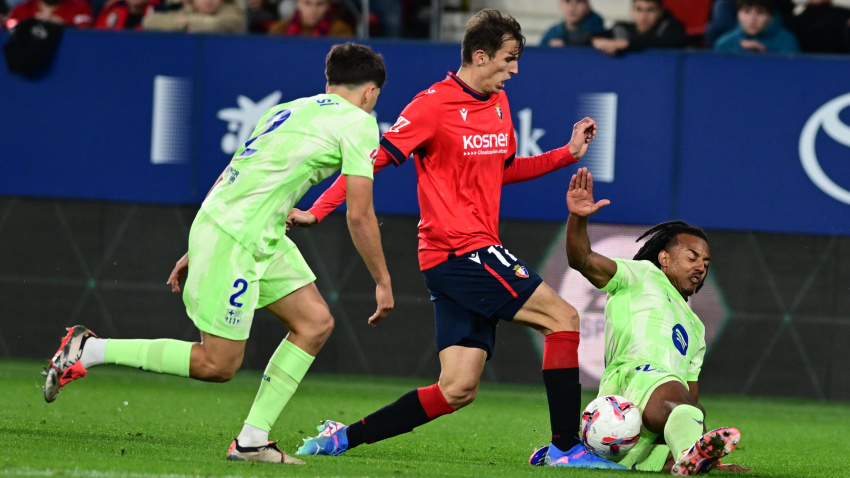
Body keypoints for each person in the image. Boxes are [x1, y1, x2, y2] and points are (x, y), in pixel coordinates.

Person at [288, 9, 621, 470]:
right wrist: (317, 210)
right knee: (563, 318)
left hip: (467, 254)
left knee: (457, 389)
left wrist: (567, 154)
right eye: (508, 59)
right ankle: (566, 448)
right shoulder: (431, 106)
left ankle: (340, 439)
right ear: (480, 56)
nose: (514, 70)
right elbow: (369, 164)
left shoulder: (499, 103)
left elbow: (502, 169)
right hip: (459, 251)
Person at [42, 42, 394, 465]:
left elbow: (233, 173)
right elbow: (359, 214)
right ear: (370, 92)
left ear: (329, 82)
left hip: (251, 230)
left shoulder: (286, 110)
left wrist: (199, 241)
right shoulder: (360, 122)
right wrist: (382, 280)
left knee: (314, 322)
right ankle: (90, 350)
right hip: (237, 236)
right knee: (218, 364)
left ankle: (252, 441)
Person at [551, 167, 751, 474]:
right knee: (678, 400)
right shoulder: (641, 274)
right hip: (629, 384)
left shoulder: (696, 327)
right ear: (664, 259)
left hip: (654, 413)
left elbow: (689, 394)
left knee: (689, 412)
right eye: (692, 257)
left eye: (706, 262)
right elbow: (582, 259)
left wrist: (698, 431)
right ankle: (691, 456)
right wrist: (578, 217)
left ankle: (683, 459)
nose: (700, 266)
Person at [591, 0, 686, 55]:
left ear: (661, 11)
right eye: (639, 9)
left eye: (650, 10)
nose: (643, 17)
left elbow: (670, 41)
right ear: (631, 10)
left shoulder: (672, 27)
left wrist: (626, 44)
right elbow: (588, 36)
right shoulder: (622, 29)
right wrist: (595, 41)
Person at [714, 0, 800, 53]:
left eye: (760, 12)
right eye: (747, 12)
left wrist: (765, 56)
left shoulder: (787, 42)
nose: (752, 19)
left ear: (771, 16)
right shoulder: (725, 43)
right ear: (738, 15)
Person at [142, 0, 245, 33]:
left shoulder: (232, 11)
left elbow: (218, 24)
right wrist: (181, 25)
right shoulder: (190, 10)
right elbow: (149, 21)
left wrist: (188, 22)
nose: (209, 1)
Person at [539, 0, 605, 48]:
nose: (572, 8)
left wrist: (566, 42)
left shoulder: (596, 29)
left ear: (587, 6)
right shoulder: (552, 33)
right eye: (567, 1)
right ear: (560, 5)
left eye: (579, 2)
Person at [268, 0, 352, 37]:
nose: (313, 10)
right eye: (307, 3)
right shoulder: (280, 29)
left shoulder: (341, 31)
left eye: (320, 4)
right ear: (298, 4)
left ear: (328, 6)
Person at [4, 0, 92, 29]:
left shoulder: (79, 7)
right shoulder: (24, 8)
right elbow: (8, 29)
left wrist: (63, 26)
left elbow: (85, 36)